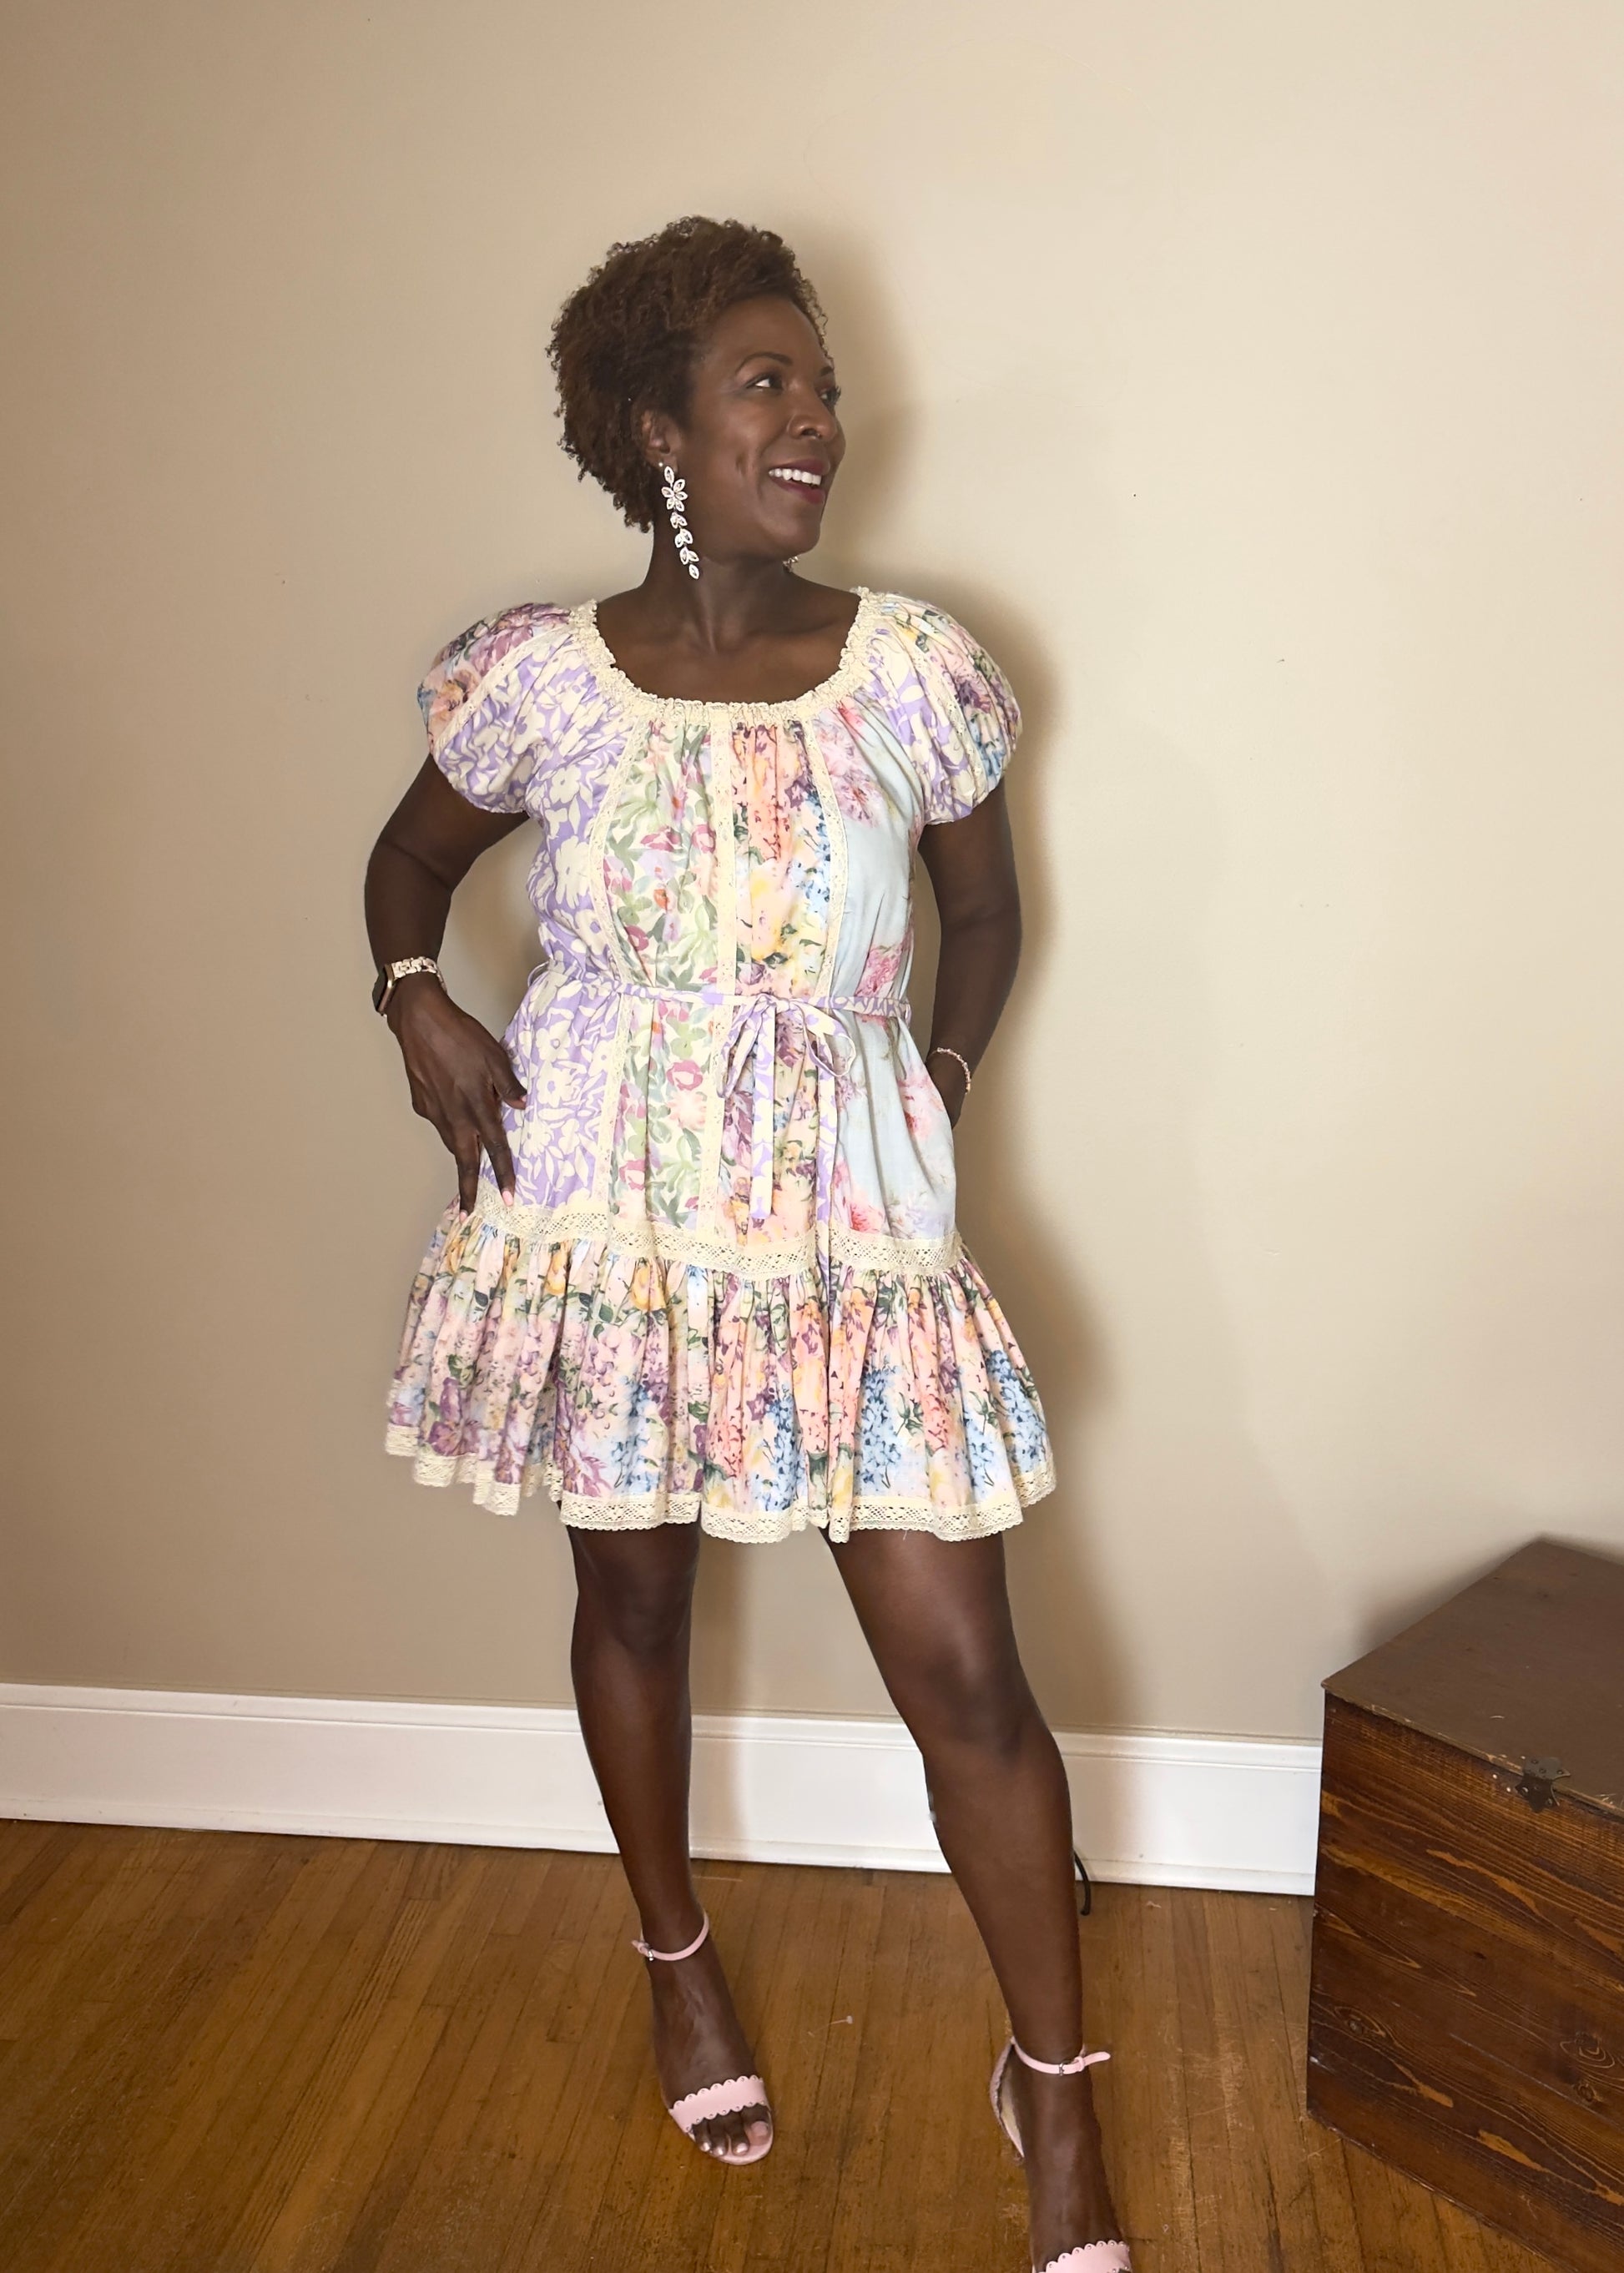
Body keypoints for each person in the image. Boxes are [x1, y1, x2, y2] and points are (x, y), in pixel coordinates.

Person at [365, 215, 1131, 2273]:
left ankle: (1053, 2100)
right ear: (658, 433)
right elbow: (409, 860)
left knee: (962, 1665)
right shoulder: (541, 677)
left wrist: (941, 1084)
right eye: (766, 387)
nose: (816, 421)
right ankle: (673, 1956)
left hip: (843, 1216)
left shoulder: (909, 672)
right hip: (604, 1211)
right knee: (632, 1600)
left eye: (821, 387)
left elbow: (986, 910)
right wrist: (414, 999)